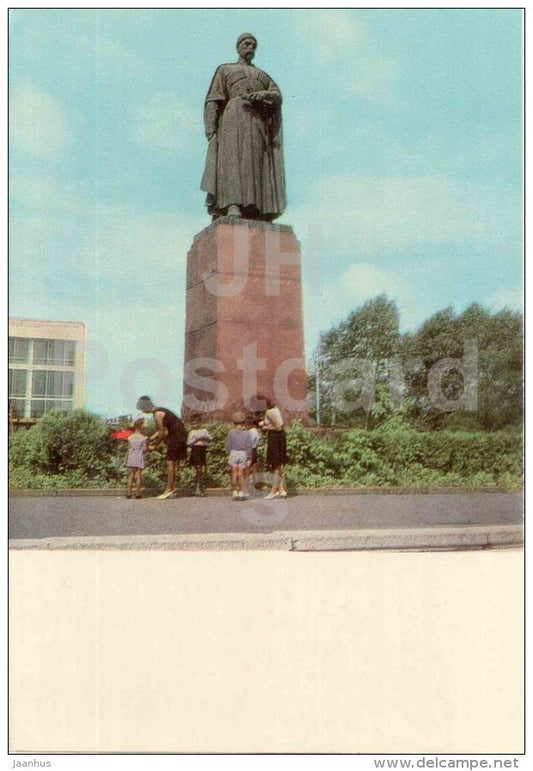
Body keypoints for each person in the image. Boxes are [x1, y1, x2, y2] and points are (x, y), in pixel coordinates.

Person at [201, 33, 286, 221]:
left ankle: (257, 208)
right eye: (247, 44)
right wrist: (211, 127)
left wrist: (264, 94)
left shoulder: (263, 75)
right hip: (233, 118)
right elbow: (213, 100)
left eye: (254, 45)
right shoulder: (225, 70)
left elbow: (277, 96)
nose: (251, 47)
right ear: (238, 47)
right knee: (233, 161)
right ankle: (233, 205)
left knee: (255, 162)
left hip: (256, 122)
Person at [136, 396, 187, 500]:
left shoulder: (157, 414)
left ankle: (168, 490)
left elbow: (162, 433)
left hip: (176, 437)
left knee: (170, 462)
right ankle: (172, 489)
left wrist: (154, 445)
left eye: (142, 408)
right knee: (172, 463)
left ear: (145, 406)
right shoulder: (161, 411)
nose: (143, 412)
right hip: (179, 435)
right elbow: (164, 430)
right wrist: (150, 439)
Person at [259, 397, 288, 499]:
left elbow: (278, 427)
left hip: (275, 438)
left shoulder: (269, 412)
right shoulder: (275, 410)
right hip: (280, 438)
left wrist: (265, 427)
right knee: (279, 465)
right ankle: (281, 489)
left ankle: (274, 491)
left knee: (276, 465)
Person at [226, 411, 253, 500]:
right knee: (241, 473)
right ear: (244, 422)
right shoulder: (247, 433)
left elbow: (228, 445)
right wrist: (249, 456)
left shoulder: (231, 432)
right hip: (243, 453)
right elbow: (249, 445)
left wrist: (228, 454)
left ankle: (235, 491)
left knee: (234, 473)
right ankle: (241, 491)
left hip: (233, 452)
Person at [187, 414, 213, 497]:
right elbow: (188, 443)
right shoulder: (192, 432)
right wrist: (196, 439)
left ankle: (201, 487)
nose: (194, 425)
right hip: (195, 450)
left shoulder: (204, 431)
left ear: (199, 422)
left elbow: (210, 439)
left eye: (195, 423)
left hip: (202, 450)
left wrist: (205, 438)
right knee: (198, 469)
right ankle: (197, 487)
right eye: (192, 424)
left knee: (202, 469)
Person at [125, 414, 148, 499]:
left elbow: (129, 448)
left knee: (131, 475)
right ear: (142, 426)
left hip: (131, 457)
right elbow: (145, 449)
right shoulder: (143, 438)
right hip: (139, 457)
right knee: (138, 475)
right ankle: (137, 493)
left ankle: (128, 493)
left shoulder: (130, 437)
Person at [245, 414, 262, 496]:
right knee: (255, 469)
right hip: (255, 450)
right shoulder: (256, 431)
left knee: (248, 470)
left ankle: (248, 489)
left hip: (250, 450)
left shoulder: (251, 432)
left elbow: (249, 443)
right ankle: (256, 487)